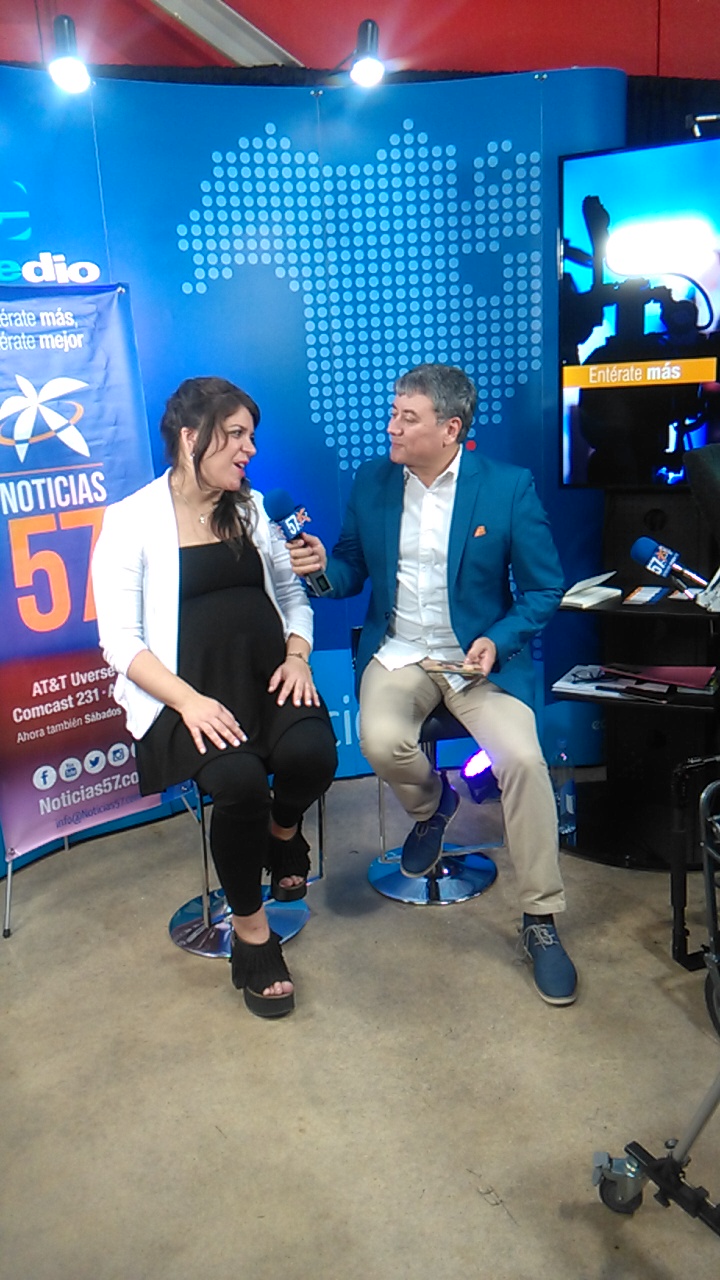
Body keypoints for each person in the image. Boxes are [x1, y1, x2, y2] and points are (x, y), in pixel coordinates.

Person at [289, 363, 577, 1006]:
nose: (392, 426)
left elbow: (543, 589)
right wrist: (320, 569)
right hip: (400, 653)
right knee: (379, 740)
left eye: (407, 417)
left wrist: (497, 639)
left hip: (476, 664)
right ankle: (434, 807)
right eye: (393, 412)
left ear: (450, 428)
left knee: (523, 762)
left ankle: (540, 917)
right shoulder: (373, 480)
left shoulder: (506, 487)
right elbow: (351, 567)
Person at [92, 376, 338, 1019]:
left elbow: (293, 597)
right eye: (235, 435)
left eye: (252, 436)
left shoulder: (251, 508)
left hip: (269, 675)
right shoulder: (130, 520)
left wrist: (297, 656)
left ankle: (282, 834)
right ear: (190, 437)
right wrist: (189, 702)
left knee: (314, 756)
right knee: (239, 786)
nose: (249, 449)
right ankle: (253, 936)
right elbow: (120, 642)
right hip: (184, 695)